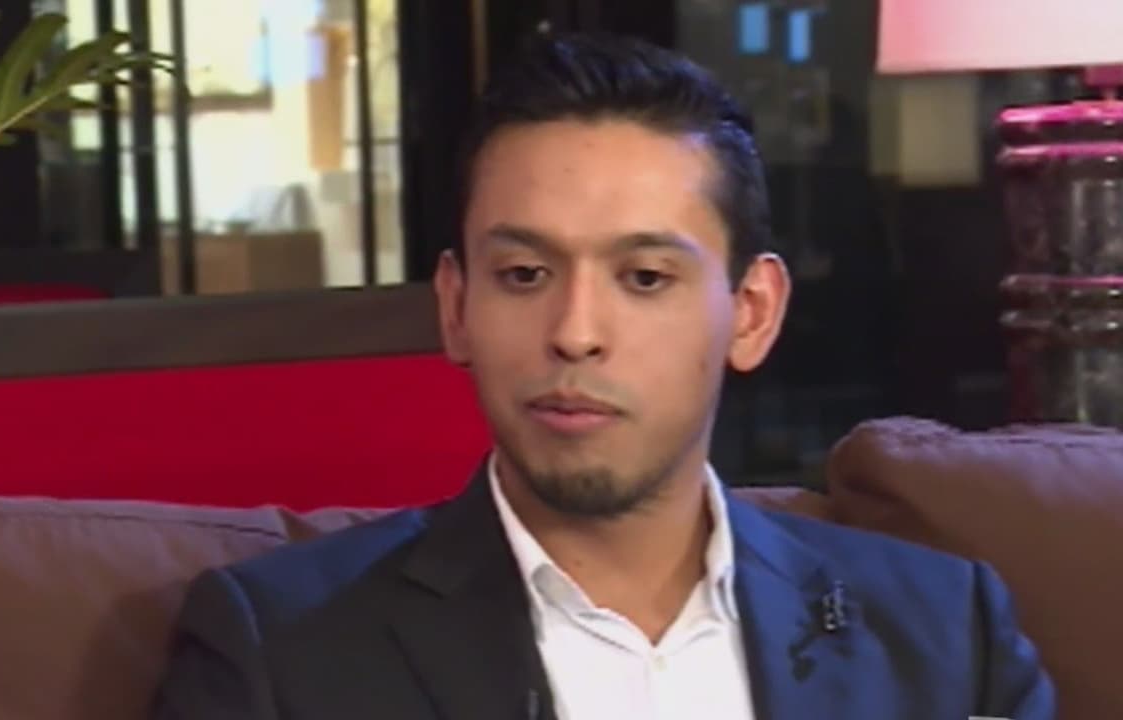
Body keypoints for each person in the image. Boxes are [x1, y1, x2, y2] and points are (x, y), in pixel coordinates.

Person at [152, 33, 1054, 720]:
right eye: (524, 275)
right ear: (457, 307)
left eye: (645, 278)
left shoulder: (944, 633)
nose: (575, 333)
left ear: (751, 312)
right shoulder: (280, 650)